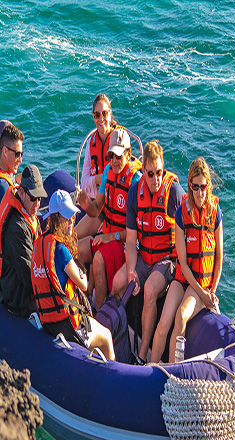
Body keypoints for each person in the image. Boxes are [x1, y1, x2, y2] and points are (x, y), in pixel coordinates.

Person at [112, 140, 185, 364]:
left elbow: (187, 231)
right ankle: (115, 337)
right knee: (118, 281)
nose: (156, 179)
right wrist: (132, 270)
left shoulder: (173, 191)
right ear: (143, 171)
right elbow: (131, 241)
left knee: (150, 290)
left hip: (166, 260)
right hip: (143, 256)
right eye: (151, 173)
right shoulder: (135, 193)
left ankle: (142, 356)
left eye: (159, 172)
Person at [151, 157, 223, 363]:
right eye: (195, 187)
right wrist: (202, 293)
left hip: (201, 284)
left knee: (181, 317)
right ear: (189, 185)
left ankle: (174, 370)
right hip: (185, 279)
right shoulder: (182, 213)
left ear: (208, 186)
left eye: (203, 187)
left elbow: (219, 257)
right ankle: (150, 366)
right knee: (164, 322)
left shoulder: (215, 213)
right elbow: (182, 261)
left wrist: (211, 292)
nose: (200, 193)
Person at [31, 190, 115, 361]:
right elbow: (83, 285)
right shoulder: (61, 251)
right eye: (66, 217)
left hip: (48, 320)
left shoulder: (40, 243)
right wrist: (83, 276)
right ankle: (112, 378)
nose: (71, 222)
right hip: (68, 325)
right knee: (106, 336)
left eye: (72, 217)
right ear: (55, 219)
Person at [77, 128, 142, 310]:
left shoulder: (135, 181)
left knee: (98, 259)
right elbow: (97, 208)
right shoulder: (108, 171)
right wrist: (86, 206)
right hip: (107, 235)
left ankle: (100, 314)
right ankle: (83, 300)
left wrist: (109, 237)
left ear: (128, 154)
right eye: (111, 155)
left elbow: (136, 233)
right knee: (77, 250)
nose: (114, 160)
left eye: (119, 156)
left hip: (123, 241)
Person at [0, 165, 47, 316]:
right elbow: (29, 276)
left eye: (39, 198)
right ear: (21, 192)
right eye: (33, 197)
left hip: (26, 284)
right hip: (18, 299)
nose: (37, 203)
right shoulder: (17, 228)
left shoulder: (28, 211)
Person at [75, 93, 118, 239]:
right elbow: (84, 183)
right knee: (72, 238)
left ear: (110, 114)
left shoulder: (119, 140)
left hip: (114, 212)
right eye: (96, 115)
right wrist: (99, 179)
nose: (101, 119)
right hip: (98, 208)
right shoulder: (91, 143)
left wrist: (96, 180)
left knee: (89, 247)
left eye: (104, 113)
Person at [0, 122, 24, 201]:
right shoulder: (3, 188)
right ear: (5, 151)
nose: (20, 160)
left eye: (21, 154)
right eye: (17, 154)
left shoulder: (6, 179)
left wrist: (15, 180)